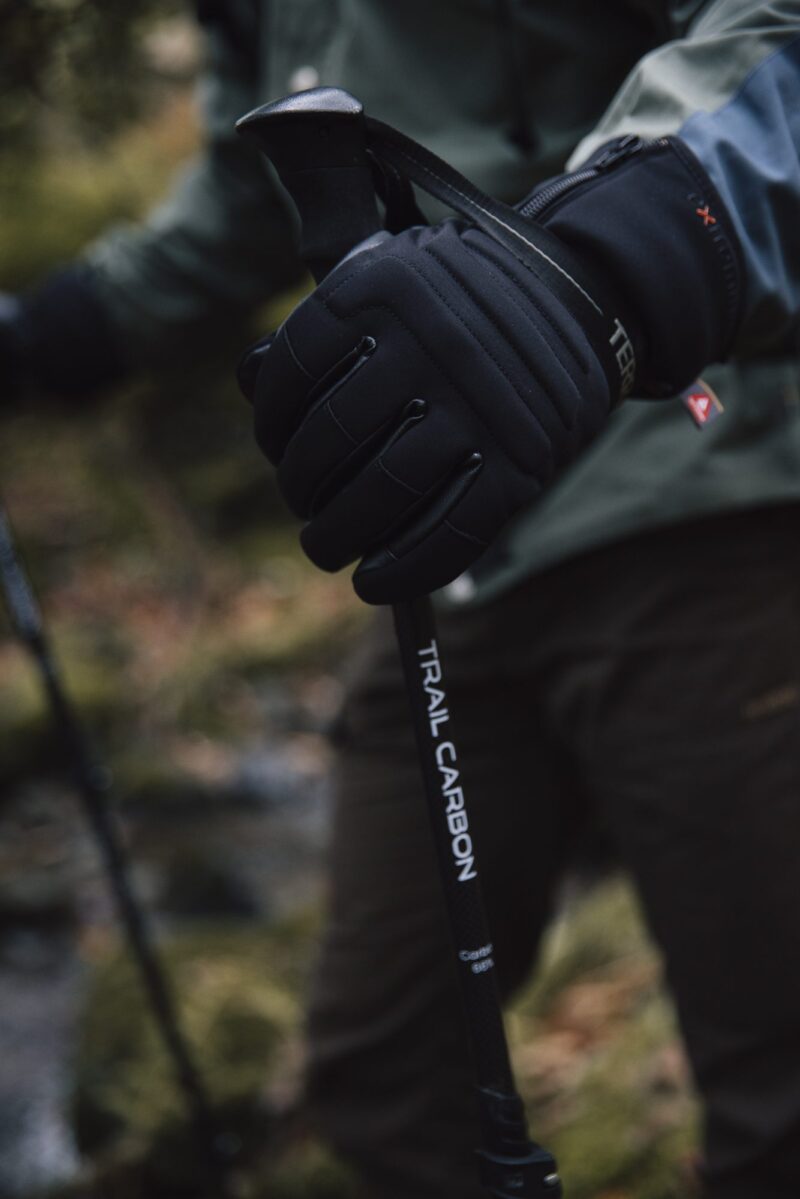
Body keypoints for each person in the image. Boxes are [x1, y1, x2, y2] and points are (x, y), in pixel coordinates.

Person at [4, 2, 800, 1196]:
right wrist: (39, 337)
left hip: (696, 508)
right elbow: (241, 202)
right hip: (450, 567)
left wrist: (608, 260)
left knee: (777, 1090)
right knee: (385, 1077)